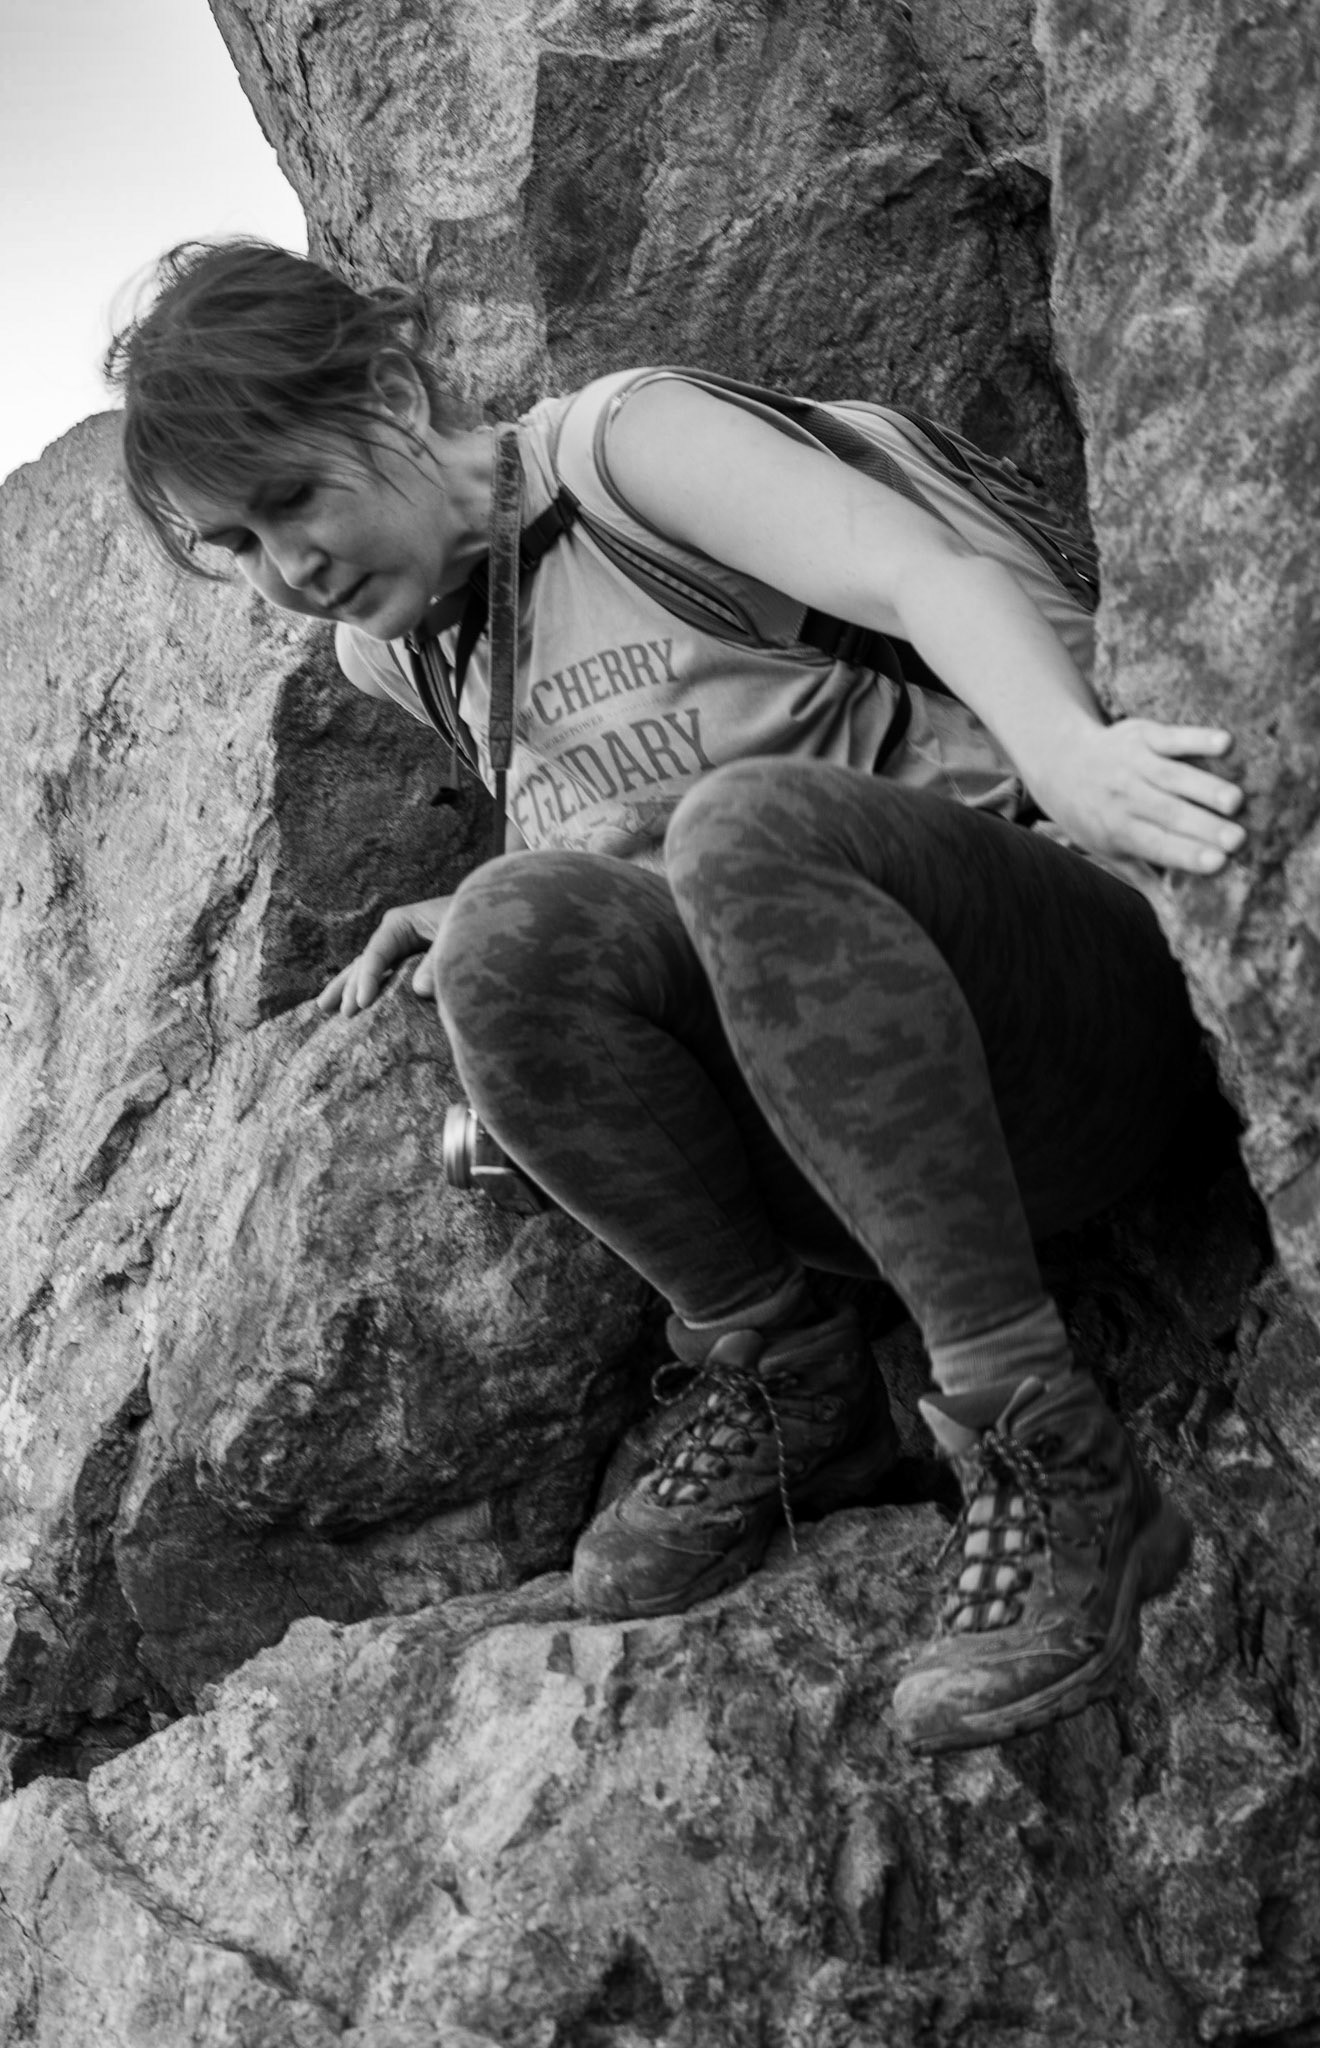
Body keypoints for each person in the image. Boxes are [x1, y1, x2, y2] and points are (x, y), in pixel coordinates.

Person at [107, 240, 1247, 1755]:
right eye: (239, 545)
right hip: (867, 1155)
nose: (289, 570)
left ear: (389, 390)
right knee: (508, 928)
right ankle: (791, 1380)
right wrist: (486, 907)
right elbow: (637, 807)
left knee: (744, 825)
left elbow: (924, 575)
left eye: (296, 499)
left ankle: (1048, 1449)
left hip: (1071, 1009)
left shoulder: (627, 452)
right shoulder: (406, 659)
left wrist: (1072, 757)